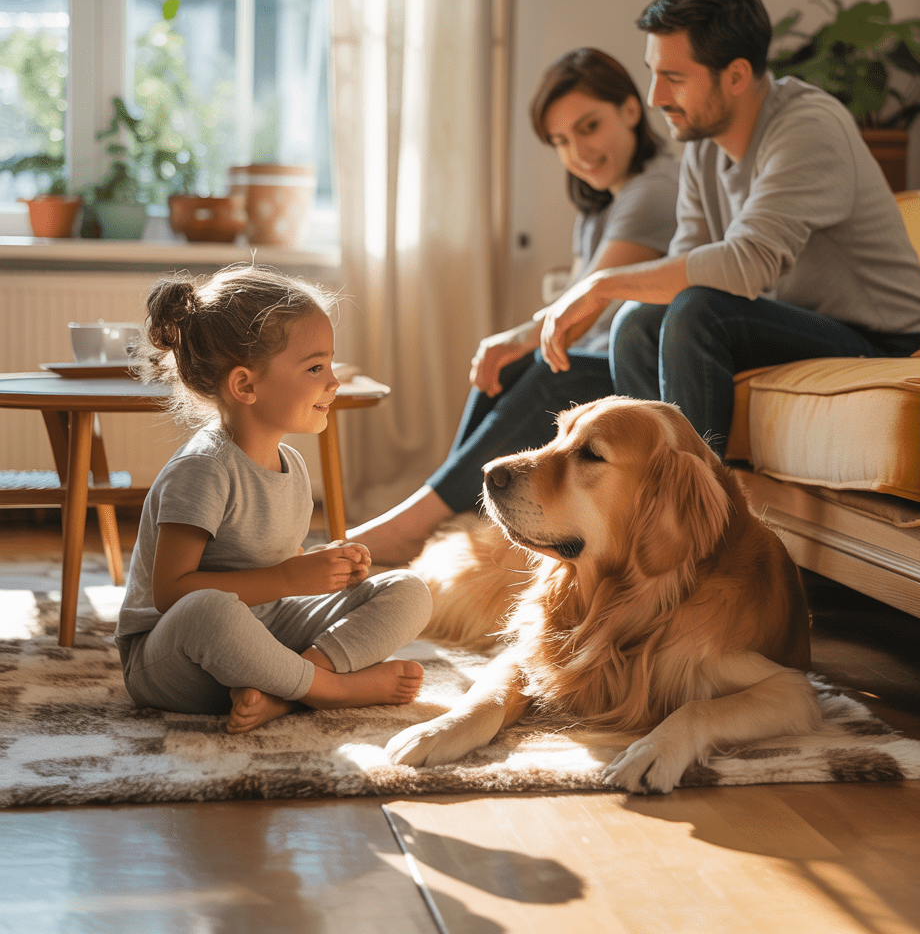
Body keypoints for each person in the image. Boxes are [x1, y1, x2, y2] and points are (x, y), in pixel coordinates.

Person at [538, 0, 920, 458]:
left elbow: (747, 264)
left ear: (737, 76)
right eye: (654, 73)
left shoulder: (808, 128)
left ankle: (698, 500)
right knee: (637, 323)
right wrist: (618, 294)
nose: (655, 96)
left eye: (674, 78)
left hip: (886, 339)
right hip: (801, 321)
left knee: (698, 312)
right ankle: (648, 493)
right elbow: (686, 263)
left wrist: (602, 285)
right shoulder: (703, 146)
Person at [348, 48, 679, 563]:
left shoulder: (654, 191)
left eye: (589, 127)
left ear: (631, 111)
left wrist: (516, 339)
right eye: (561, 141)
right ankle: (450, 518)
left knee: (550, 371)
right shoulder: (602, 206)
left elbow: (581, 312)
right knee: (514, 367)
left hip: (644, 371)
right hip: (603, 360)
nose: (579, 152)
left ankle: (416, 525)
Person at [115, 265, 432, 734]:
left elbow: (273, 564)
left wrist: (320, 567)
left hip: (264, 637)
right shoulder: (202, 469)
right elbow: (171, 593)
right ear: (245, 385)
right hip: (177, 662)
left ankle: (286, 691)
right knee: (209, 610)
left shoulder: (292, 465)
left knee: (408, 590)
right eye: (315, 368)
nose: (334, 382)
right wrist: (289, 577)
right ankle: (332, 690)